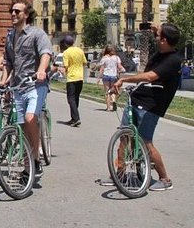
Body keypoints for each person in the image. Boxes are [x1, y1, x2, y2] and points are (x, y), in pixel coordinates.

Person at [101, 23, 182, 191]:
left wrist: (124, 79)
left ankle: (165, 179)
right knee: (124, 137)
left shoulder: (173, 60)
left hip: (152, 106)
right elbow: (159, 32)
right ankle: (119, 174)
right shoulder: (159, 53)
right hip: (137, 99)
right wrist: (153, 27)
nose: (155, 37)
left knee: (145, 142)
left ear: (164, 40)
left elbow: (151, 76)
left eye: (158, 35)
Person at [0, 0, 52, 180]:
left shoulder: (38, 33)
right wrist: (3, 81)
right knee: (22, 129)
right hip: (18, 86)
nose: (13, 14)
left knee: (30, 119)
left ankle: (36, 159)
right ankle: (29, 169)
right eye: (11, 11)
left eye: (17, 11)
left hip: (36, 85)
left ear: (26, 14)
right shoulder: (10, 36)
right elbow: (9, 62)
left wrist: (41, 70)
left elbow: (46, 53)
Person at [61, 35, 88, 127]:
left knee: (70, 99)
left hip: (71, 78)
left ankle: (76, 118)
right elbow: (85, 62)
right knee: (76, 98)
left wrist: (63, 74)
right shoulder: (80, 51)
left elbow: (66, 66)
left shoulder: (66, 52)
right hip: (80, 77)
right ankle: (73, 118)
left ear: (65, 44)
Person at [97, 44, 124, 111]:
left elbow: (102, 69)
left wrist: (98, 78)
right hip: (114, 76)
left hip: (106, 76)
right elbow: (120, 67)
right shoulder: (117, 58)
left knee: (107, 92)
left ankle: (108, 107)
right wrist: (122, 70)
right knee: (112, 91)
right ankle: (114, 100)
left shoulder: (104, 58)